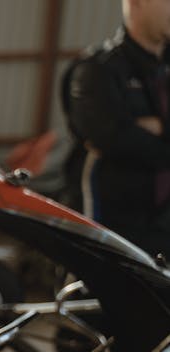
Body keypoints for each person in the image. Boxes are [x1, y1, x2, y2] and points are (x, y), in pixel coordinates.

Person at [62, 0, 170, 257]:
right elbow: (112, 138)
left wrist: (160, 126)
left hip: (163, 227)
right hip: (110, 227)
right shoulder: (96, 69)